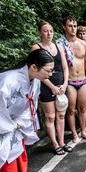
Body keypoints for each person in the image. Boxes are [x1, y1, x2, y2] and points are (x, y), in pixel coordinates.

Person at [0, 49, 54, 172]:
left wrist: (21, 123)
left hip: (13, 123)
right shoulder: (7, 80)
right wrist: (3, 126)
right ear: (34, 67)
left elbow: (29, 103)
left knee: (18, 152)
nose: (50, 74)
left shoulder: (34, 80)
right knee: (4, 156)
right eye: (48, 71)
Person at [31, 22, 71, 156]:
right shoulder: (36, 48)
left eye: (51, 31)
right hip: (46, 86)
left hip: (61, 86)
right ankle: (54, 143)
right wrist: (52, 87)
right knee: (50, 116)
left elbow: (65, 67)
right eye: (46, 31)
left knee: (61, 115)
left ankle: (62, 142)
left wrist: (65, 84)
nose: (49, 34)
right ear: (40, 32)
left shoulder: (59, 46)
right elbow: (36, 70)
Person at [58, 16, 86, 142]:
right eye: (70, 26)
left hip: (82, 80)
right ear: (64, 27)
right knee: (71, 110)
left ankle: (83, 131)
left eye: (75, 26)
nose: (73, 28)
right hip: (70, 81)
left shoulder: (84, 44)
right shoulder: (61, 45)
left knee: (83, 108)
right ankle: (74, 134)